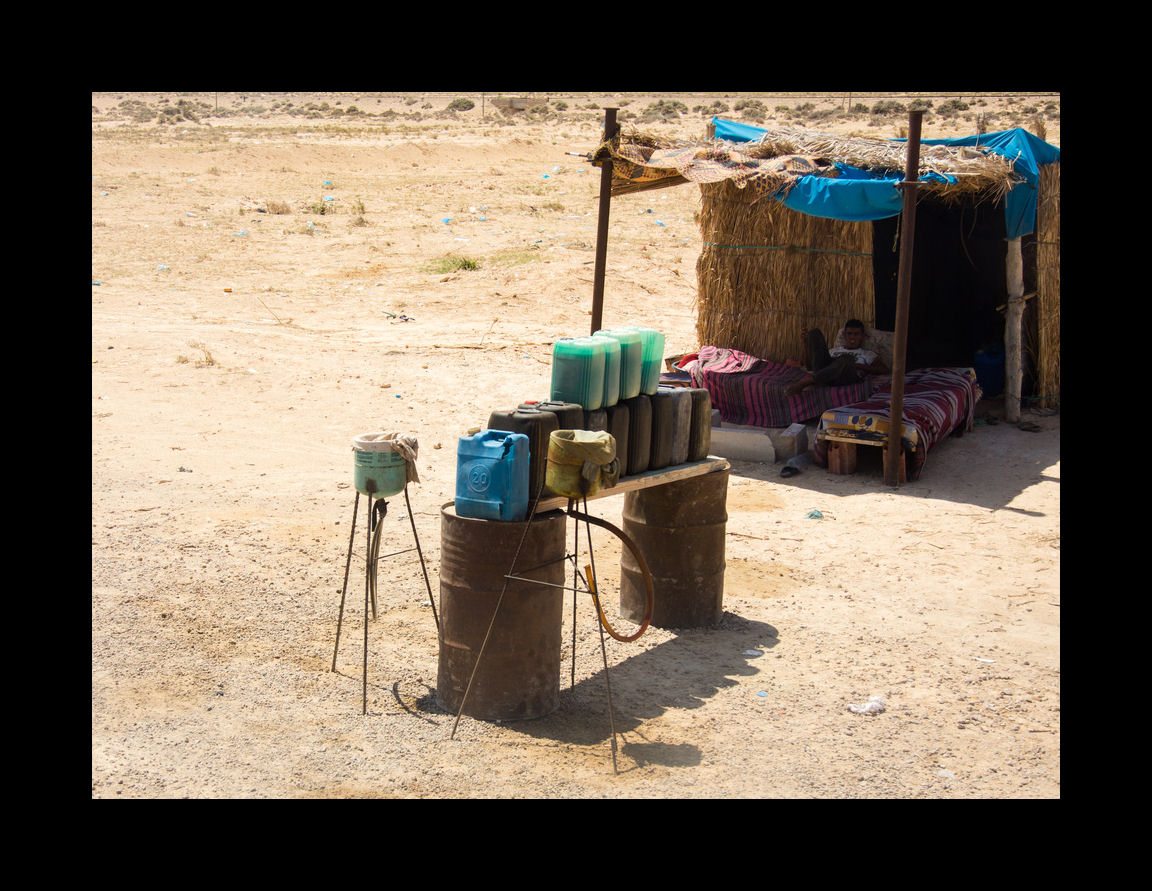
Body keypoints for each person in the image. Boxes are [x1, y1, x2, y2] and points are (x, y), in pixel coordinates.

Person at [785, 319, 889, 396]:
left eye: (856, 334)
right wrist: (805, 344)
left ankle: (807, 382)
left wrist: (857, 365)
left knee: (847, 358)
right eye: (850, 334)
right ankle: (818, 379)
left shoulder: (867, 354)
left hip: (845, 376)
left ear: (862, 336)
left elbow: (883, 369)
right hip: (824, 372)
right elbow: (810, 367)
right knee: (814, 333)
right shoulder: (833, 351)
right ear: (844, 335)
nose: (852, 337)